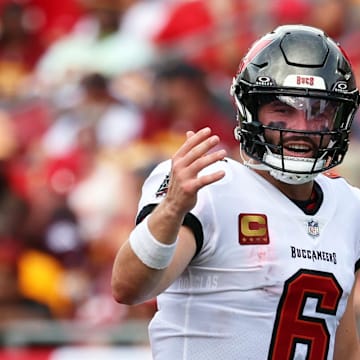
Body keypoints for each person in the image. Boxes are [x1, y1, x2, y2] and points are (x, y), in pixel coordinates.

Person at [111, 24, 360, 359]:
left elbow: (342, 344)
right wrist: (171, 210)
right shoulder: (212, 184)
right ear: (250, 109)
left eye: (318, 112)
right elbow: (128, 286)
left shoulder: (349, 206)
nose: (302, 128)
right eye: (283, 109)